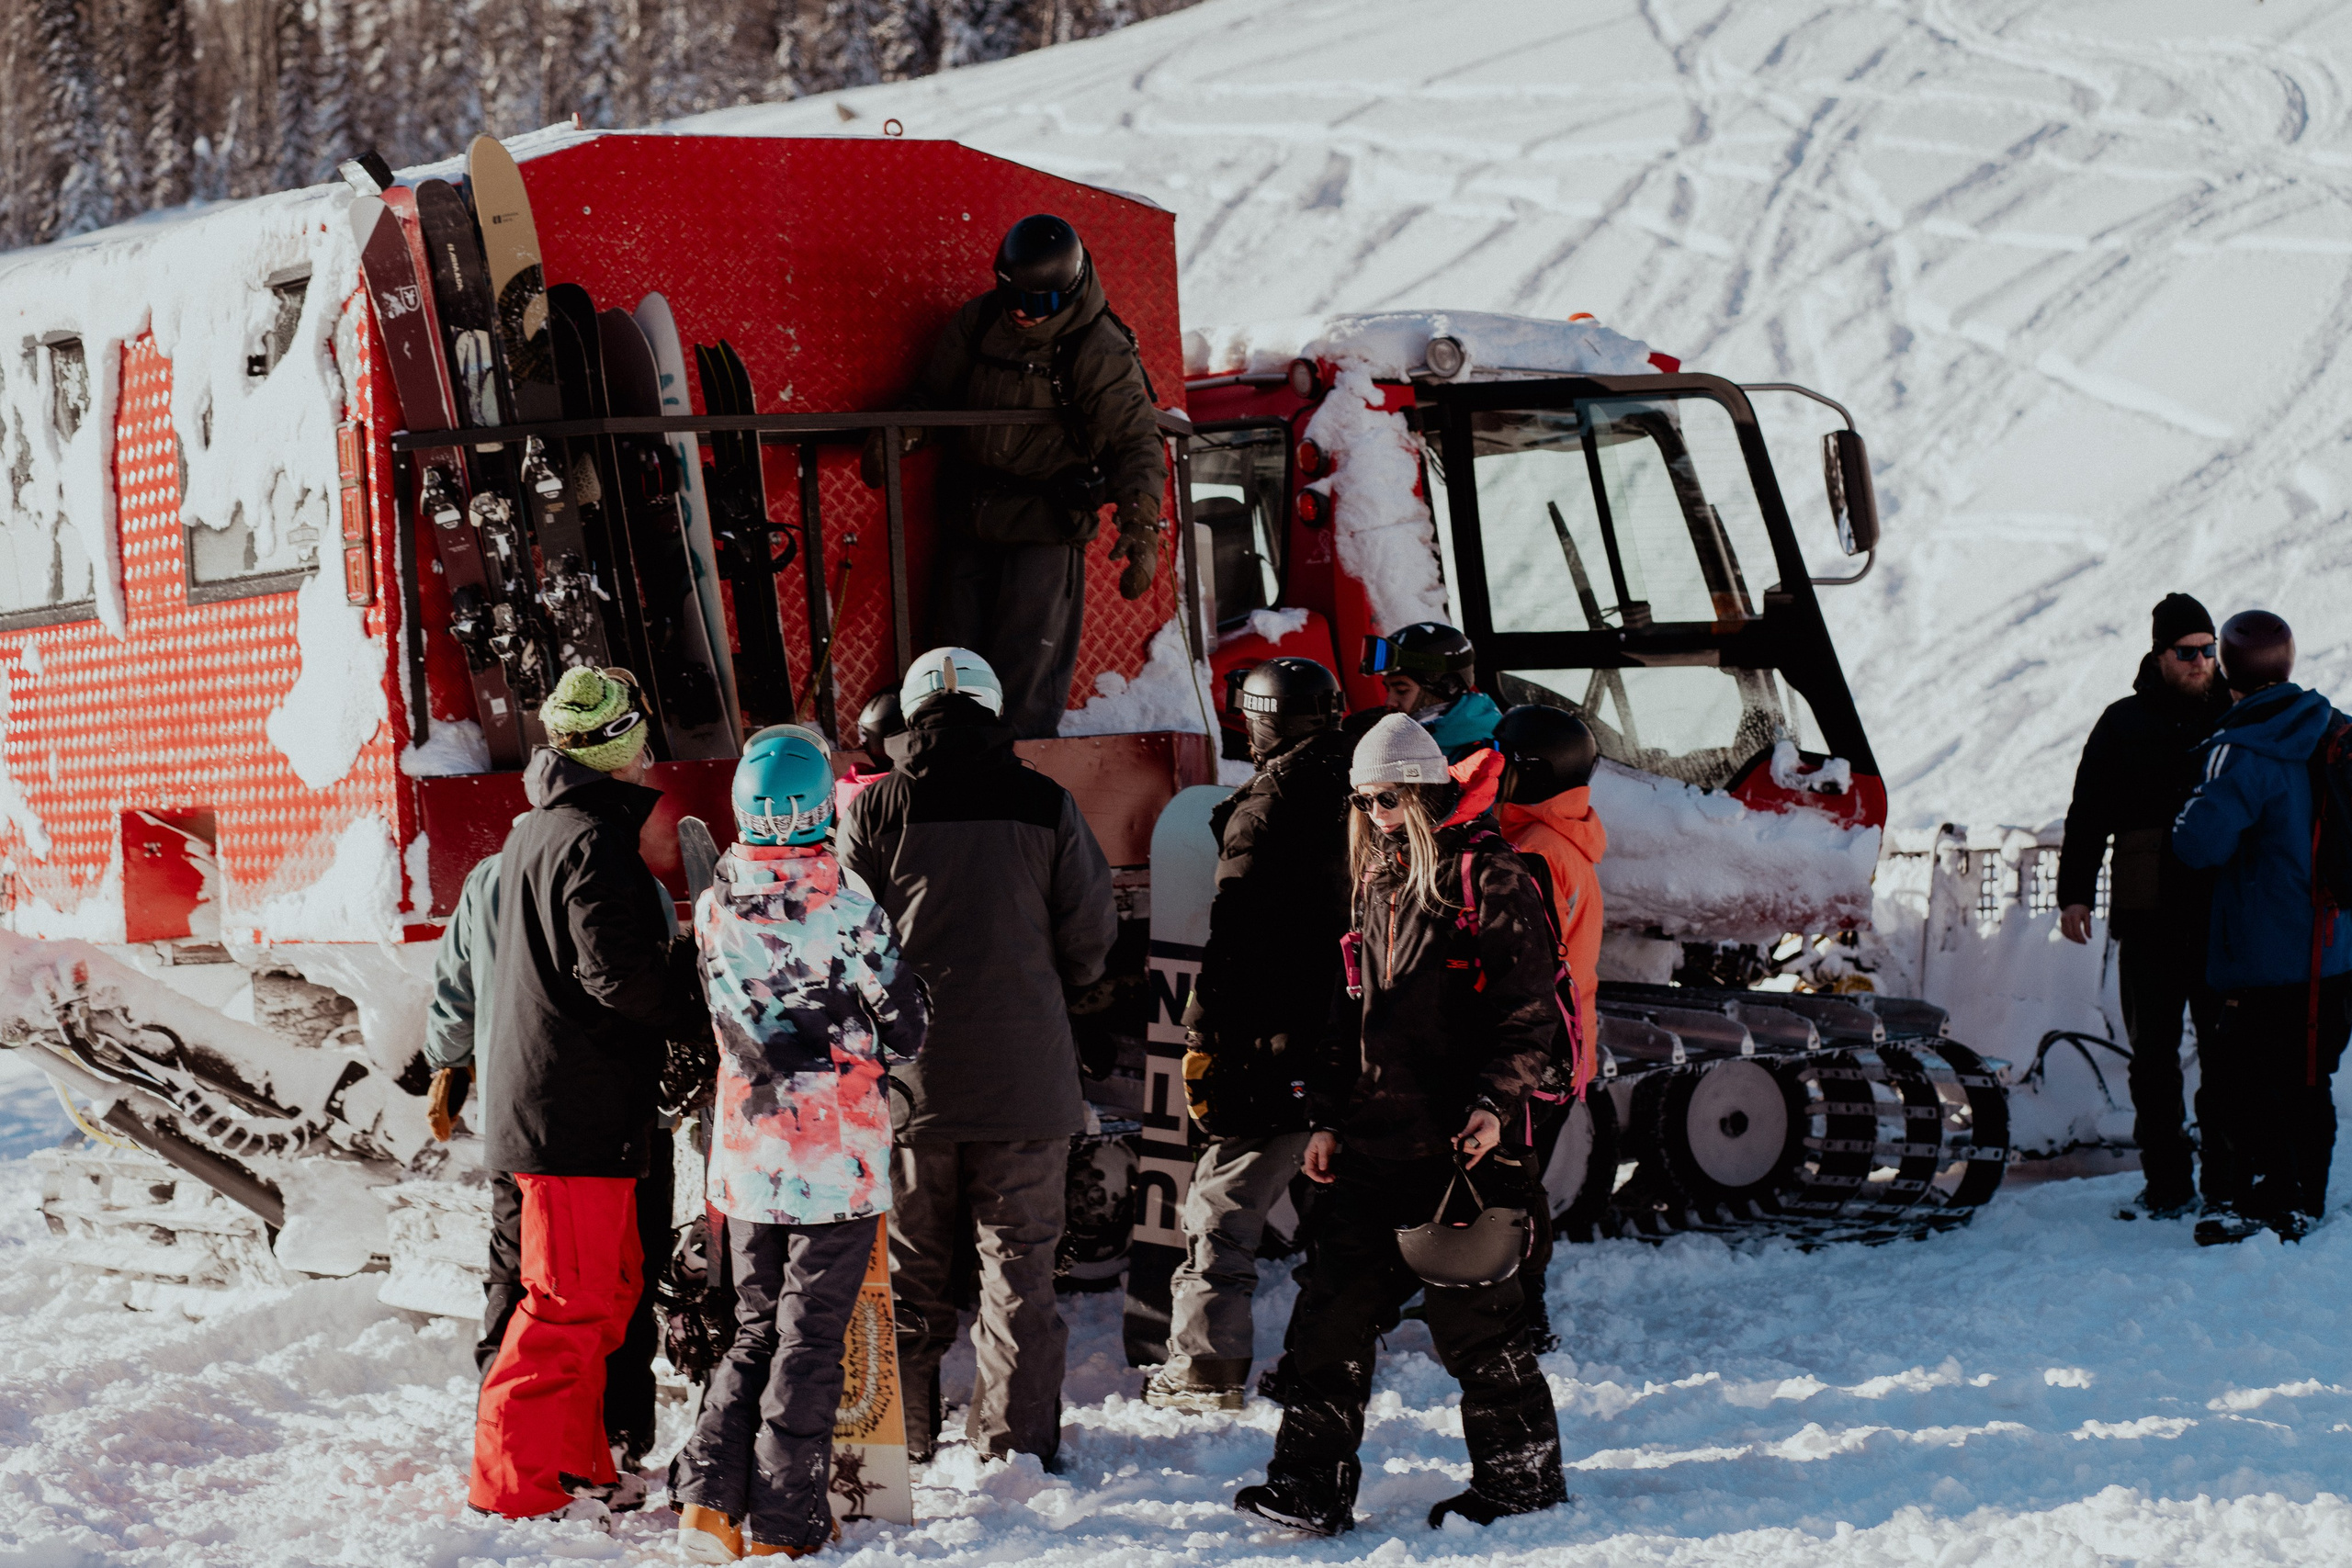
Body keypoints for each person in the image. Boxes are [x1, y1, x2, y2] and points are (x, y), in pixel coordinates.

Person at [1235, 714, 1566, 1536]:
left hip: (1463, 1150)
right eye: (1363, 801)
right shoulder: (1373, 881)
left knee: (1477, 1328)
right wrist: (1325, 1118)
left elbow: (1532, 1018)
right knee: (1327, 1319)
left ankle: (1521, 1484)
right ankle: (1310, 1486)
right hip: (1372, 1145)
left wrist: (1493, 1103)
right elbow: (1348, 1021)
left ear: (1420, 794)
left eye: (1386, 799)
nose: (1374, 814)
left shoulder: (1491, 878)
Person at [837, 647, 1117, 1468]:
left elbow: (848, 939)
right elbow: (1092, 936)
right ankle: (1014, 1449)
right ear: (995, 709)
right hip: (1029, 1085)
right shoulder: (1045, 802)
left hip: (912, 1087)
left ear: (913, 712)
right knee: (1020, 1273)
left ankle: (905, 1440)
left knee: (913, 1270)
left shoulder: (879, 807)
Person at [673, 725, 929, 1562]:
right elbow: (909, 1027)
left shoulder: (713, 904)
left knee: (755, 1326)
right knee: (810, 1336)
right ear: (825, 806)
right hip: (835, 1162)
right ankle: (786, 1522)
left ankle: (709, 1505)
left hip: (747, 1156)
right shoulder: (847, 905)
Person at [469, 666, 710, 1523]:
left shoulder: (545, 830)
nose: (648, 753)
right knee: (568, 1306)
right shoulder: (589, 842)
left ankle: (575, 1464)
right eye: (639, 737)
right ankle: (515, 1484)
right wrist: (698, 1000)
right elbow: (615, 974)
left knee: (601, 1298)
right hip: (571, 1119)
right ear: (620, 747)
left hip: (569, 1112)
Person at [868, 214, 1168, 739]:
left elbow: (1134, 437)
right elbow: (934, 399)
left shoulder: (1095, 346)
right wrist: (901, 434)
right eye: (1015, 299)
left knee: (1022, 682)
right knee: (950, 678)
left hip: (1044, 530)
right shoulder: (981, 322)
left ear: (1070, 290)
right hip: (972, 521)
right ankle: (951, 790)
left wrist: (1140, 521)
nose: (1026, 314)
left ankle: (1019, 794)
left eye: (1043, 304)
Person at [424, 851, 677, 1472]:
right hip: (613, 1121)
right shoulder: (626, 874)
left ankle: (504, 1426)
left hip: (515, 1115)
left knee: (516, 1271)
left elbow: (454, 990)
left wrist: (453, 1057)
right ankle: (615, 1432)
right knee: (623, 1275)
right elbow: (656, 986)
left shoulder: (487, 875)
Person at [1146, 657, 1352, 1412]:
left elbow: (1237, 935)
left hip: (1276, 1035)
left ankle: (1205, 1368)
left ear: (1261, 720)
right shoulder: (1365, 790)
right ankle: (1338, 1355)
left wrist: (1203, 1030)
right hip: (1354, 1032)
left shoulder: (1268, 805)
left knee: (1223, 1206)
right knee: (1342, 1217)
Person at [2173, 611, 2352, 1244]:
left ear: (2226, 669)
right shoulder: (2335, 730)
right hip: (2332, 952)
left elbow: (2199, 843)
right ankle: (2305, 1201)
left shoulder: (2242, 746)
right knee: (2309, 1080)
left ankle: (2275, 1203)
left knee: (2243, 1084)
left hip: (2260, 955)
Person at [2055, 592, 2231, 1217]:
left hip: (2220, 919)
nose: (2201, 661)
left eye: (2209, 649)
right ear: (2160, 655)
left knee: (2226, 1057)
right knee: (2153, 1060)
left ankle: (2227, 1183)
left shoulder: (2235, 717)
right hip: (2149, 918)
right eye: (2187, 651)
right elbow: (2087, 815)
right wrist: (2073, 891)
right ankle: (2167, 1184)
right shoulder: (2122, 723)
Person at [1493, 703, 1606, 1351]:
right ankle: (1507, 1302)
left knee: (1514, 1181)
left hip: (1538, 1049)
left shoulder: (1535, 851)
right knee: (1514, 1177)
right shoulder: (1552, 838)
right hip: (1558, 1044)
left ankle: (1523, 1314)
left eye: (1503, 763)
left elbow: (1519, 961)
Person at [1352, 622, 1500, 760]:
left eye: (1402, 690)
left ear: (1447, 686)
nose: (1389, 701)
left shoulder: (1482, 755)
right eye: (1388, 689)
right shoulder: (1417, 738)